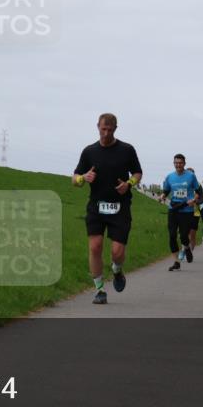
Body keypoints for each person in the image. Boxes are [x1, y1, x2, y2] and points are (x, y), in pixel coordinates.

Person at [73, 113, 143, 305]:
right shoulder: (89, 151)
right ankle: (99, 290)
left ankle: (117, 270)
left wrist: (128, 183)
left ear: (115, 129)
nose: (105, 133)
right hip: (96, 205)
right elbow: (75, 178)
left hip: (120, 207)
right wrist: (82, 178)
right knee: (95, 247)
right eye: (103, 129)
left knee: (117, 252)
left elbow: (138, 172)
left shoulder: (127, 150)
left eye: (110, 130)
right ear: (98, 126)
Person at [159, 154, 203, 272]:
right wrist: (162, 196)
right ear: (174, 163)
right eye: (176, 163)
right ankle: (176, 262)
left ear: (184, 164)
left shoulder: (191, 176)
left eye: (180, 163)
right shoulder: (170, 177)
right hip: (173, 209)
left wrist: (194, 200)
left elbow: (198, 191)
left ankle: (187, 248)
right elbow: (166, 190)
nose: (178, 165)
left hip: (187, 210)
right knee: (172, 235)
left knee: (184, 235)